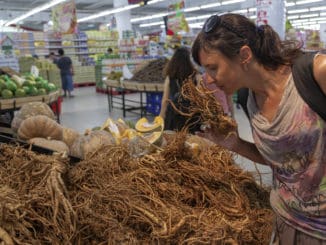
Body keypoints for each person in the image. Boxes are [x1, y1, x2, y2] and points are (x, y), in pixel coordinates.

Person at [191, 13, 326, 244]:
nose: (209, 79)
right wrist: (235, 144)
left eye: (213, 68)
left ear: (244, 55)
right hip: (285, 222)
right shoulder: (248, 98)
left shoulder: (315, 73)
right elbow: (284, 164)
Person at [159, 46, 201, 133]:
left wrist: (161, 116)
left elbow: (165, 100)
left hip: (173, 114)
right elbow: (201, 96)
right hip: (191, 114)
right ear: (189, 60)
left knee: (173, 141)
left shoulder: (170, 77)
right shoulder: (196, 75)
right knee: (192, 142)